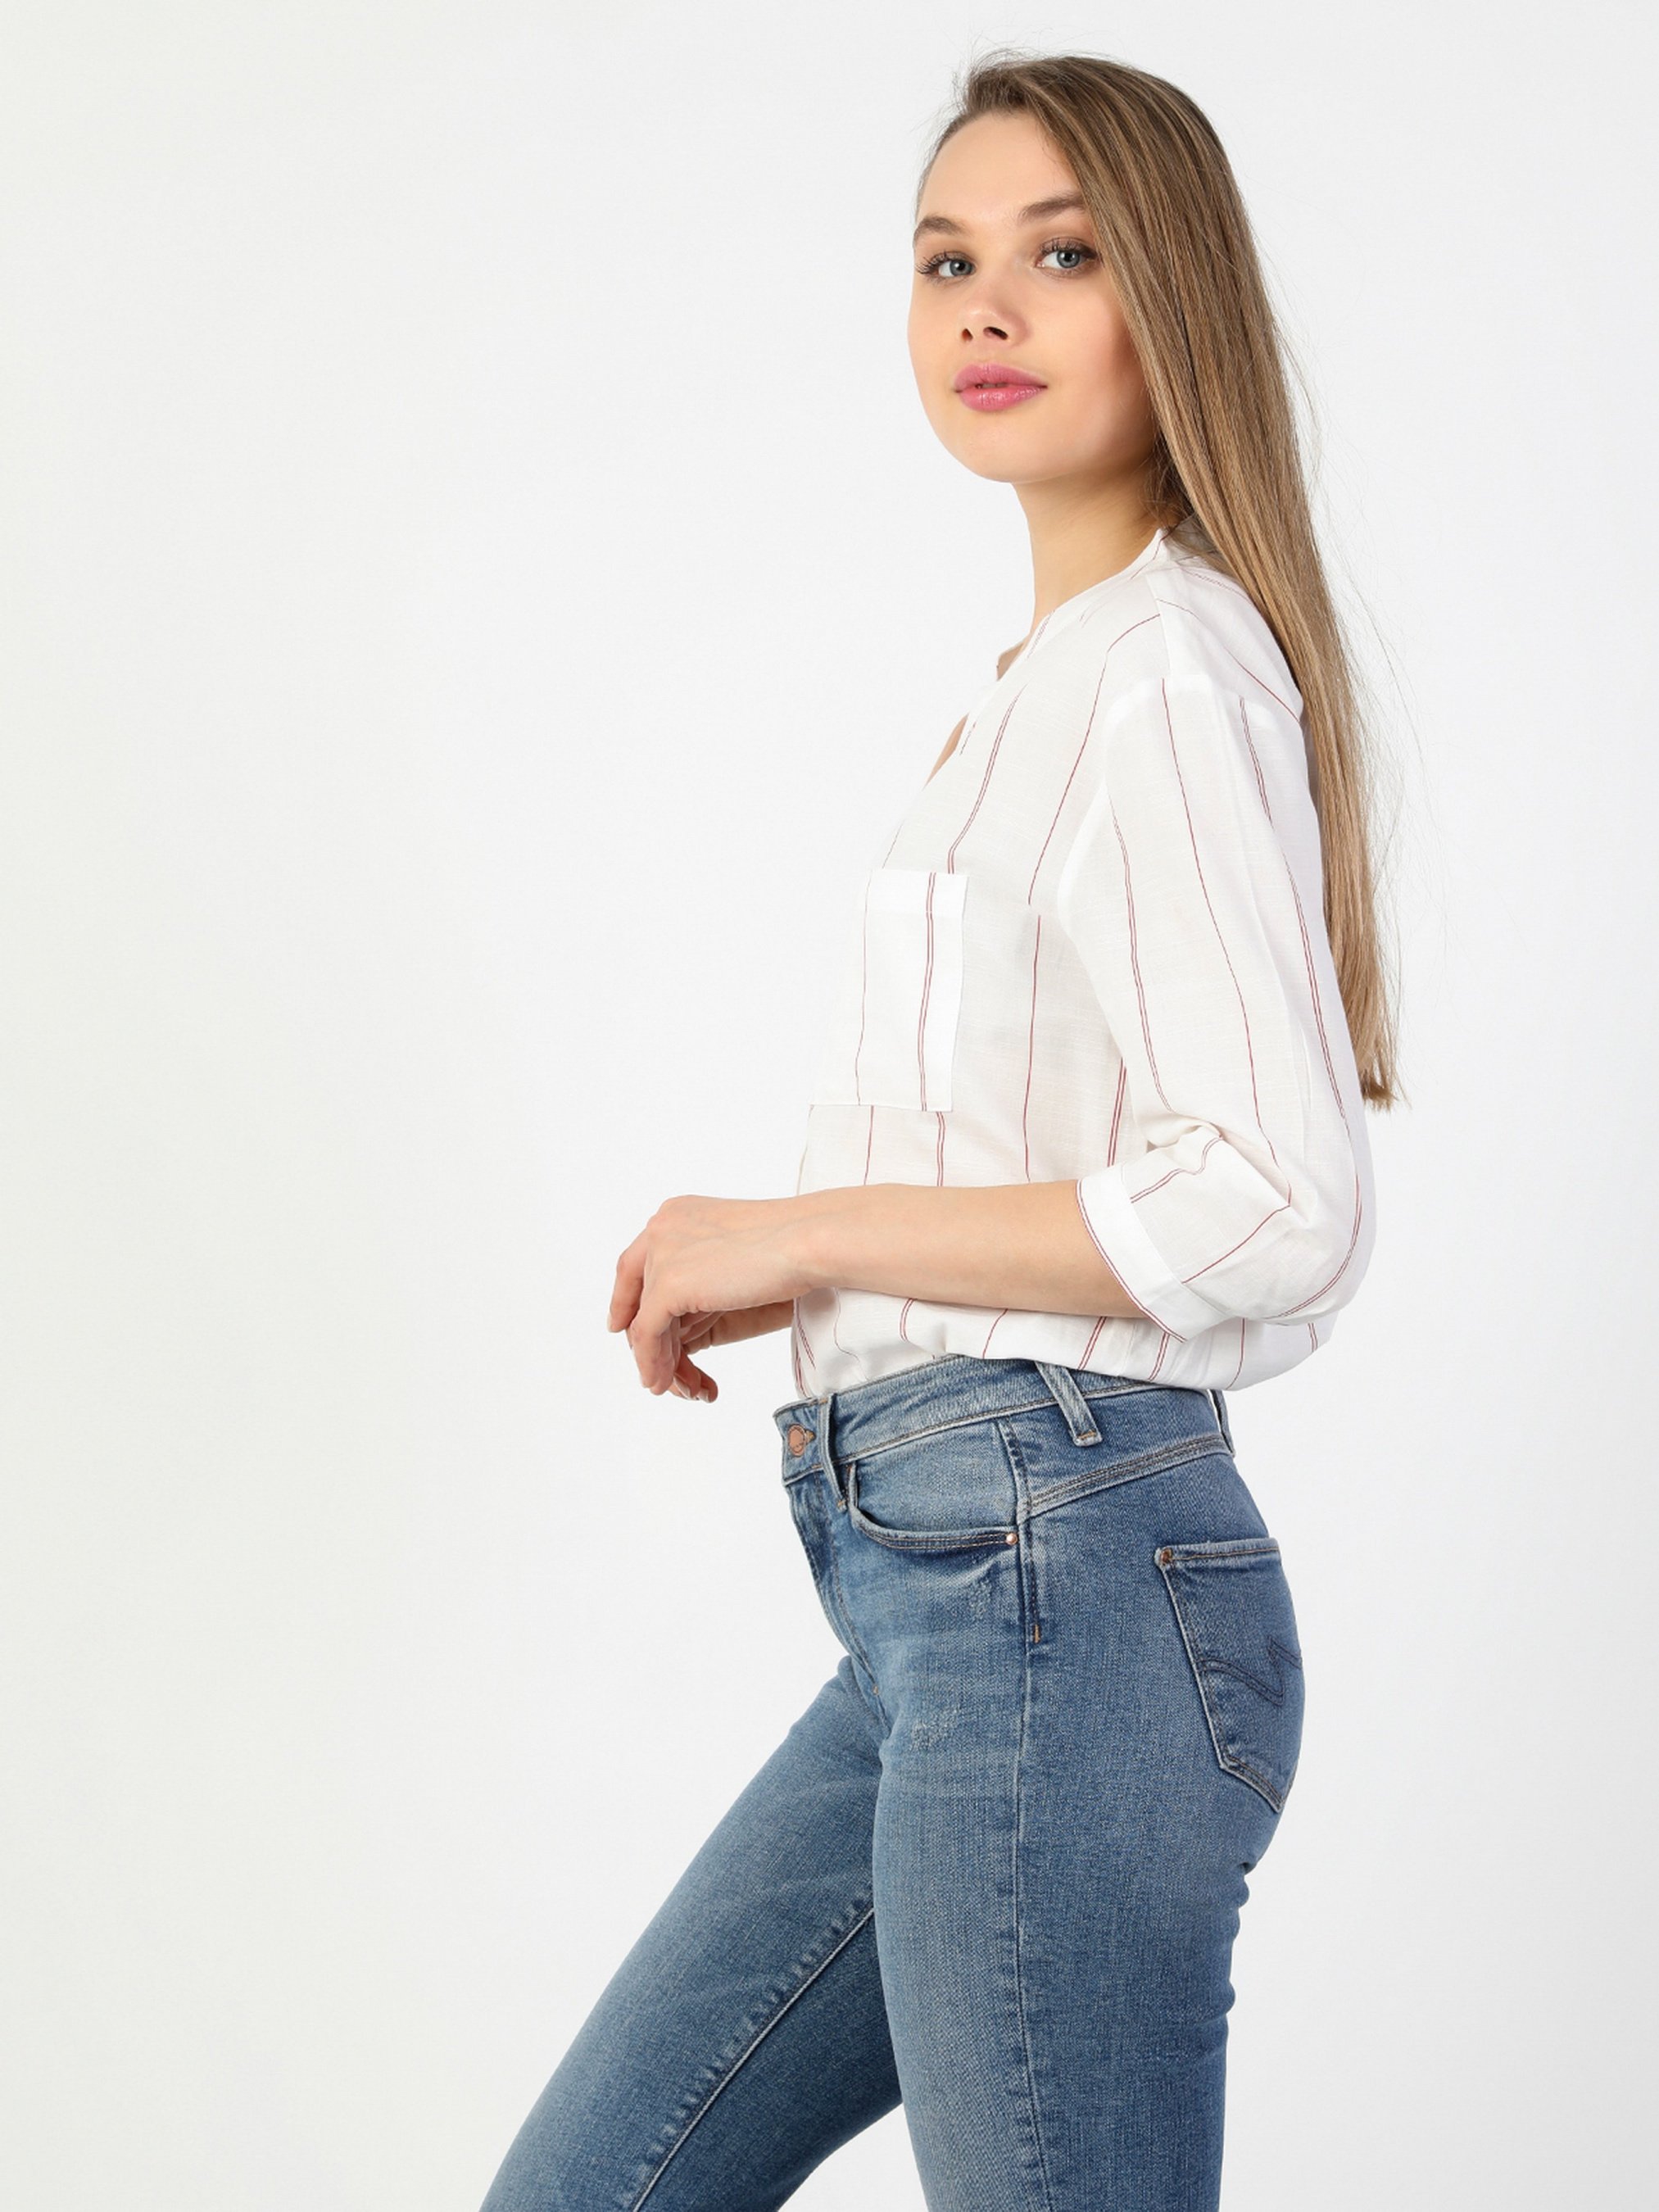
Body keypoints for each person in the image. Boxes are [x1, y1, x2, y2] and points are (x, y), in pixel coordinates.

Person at [480, 47, 1395, 2212]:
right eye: (944, 260)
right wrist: (828, 1269)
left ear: (1172, 297)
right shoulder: (1049, 685)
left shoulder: (1162, 673)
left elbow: (1274, 1201)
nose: (988, 306)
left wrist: (808, 1228)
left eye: (1061, 256)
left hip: (1056, 1580)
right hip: (950, 1596)